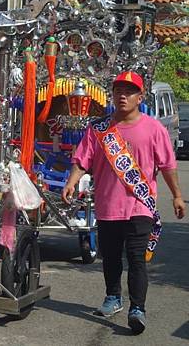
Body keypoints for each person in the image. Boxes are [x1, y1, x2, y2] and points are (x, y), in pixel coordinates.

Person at [62, 71, 185, 335]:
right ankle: (113, 297)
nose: (123, 95)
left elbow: (167, 165)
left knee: (137, 258)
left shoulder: (154, 129)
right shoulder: (99, 129)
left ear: (140, 97)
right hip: (108, 206)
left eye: (129, 91)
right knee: (111, 259)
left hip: (141, 206)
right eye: (118, 90)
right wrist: (72, 181)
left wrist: (176, 194)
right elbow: (83, 160)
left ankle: (137, 309)